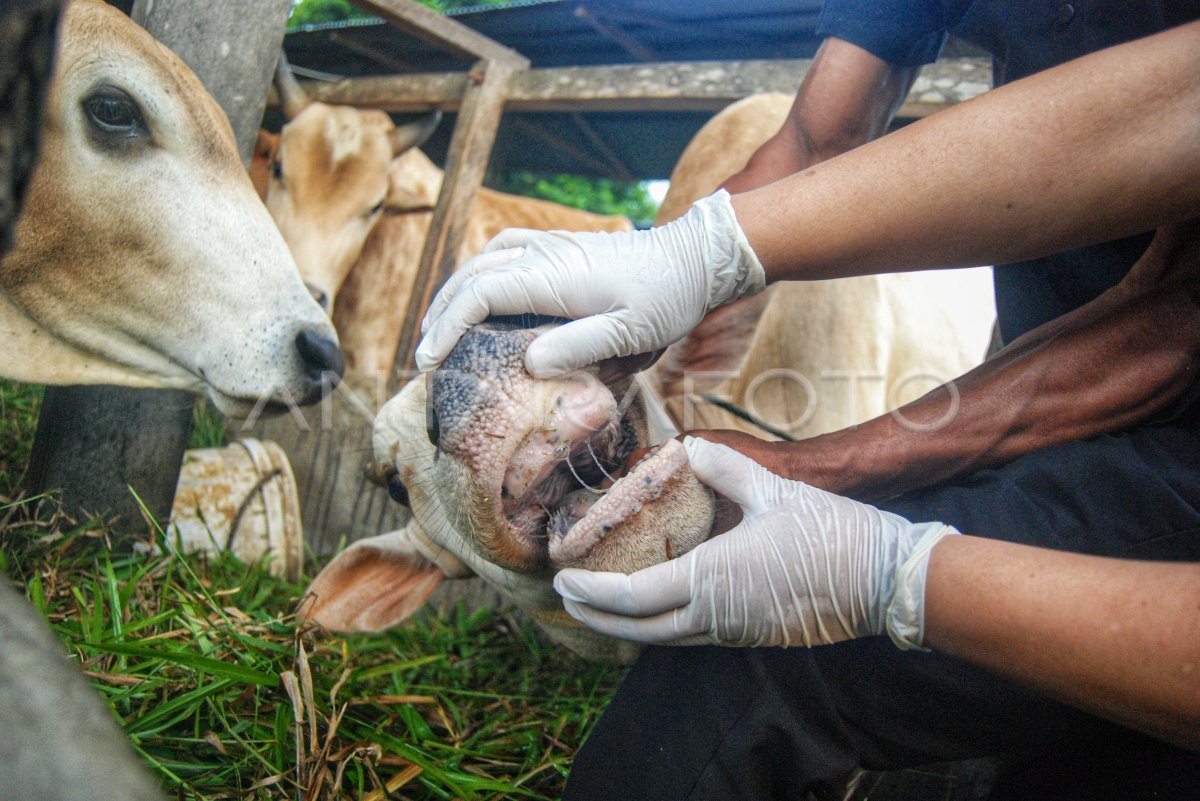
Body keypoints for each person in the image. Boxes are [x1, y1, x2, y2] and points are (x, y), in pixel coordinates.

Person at [416, 7, 1200, 800]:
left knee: (728, 693)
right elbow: (818, 135)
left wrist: (889, 565)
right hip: (1085, 391)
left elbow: (1168, 331)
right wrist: (688, 255)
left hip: (1165, 452)